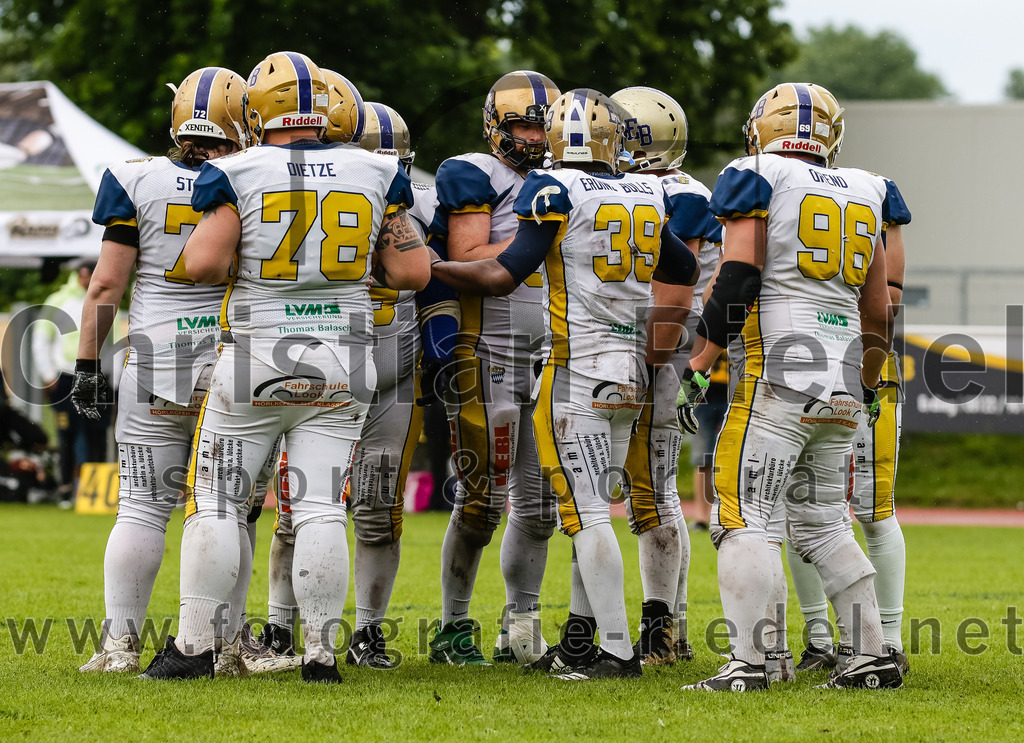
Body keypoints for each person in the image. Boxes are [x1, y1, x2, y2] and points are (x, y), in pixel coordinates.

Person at [138, 51, 431, 683]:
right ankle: (322, 656)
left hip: (257, 354)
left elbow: (204, 265)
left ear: (257, 110)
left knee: (217, 501)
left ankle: (193, 649)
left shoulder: (237, 170)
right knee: (323, 506)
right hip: (344, 360)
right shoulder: (377, 169)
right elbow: (413, 272)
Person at [431, 87, 699, 679]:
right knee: (594, 505)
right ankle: (588, 641)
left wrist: (428, 269)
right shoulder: (646, 191)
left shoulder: (553, 189)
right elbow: (684, 269)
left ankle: (614, 650)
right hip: (630, 370)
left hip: (575, 370)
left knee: (586, 516)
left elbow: (503, 275)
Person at [676, 82, 903, 691]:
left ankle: (753, 663)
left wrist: (701, 359)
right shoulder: (870, 188)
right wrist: (870, 381)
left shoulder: (755, 173)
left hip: (780, 370)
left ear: (761, 129)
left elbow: (741, 272)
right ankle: (871, 657)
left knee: (742, 515)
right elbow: (880, 308)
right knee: (826, 521)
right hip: (847, 371)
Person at [72, 67, 249, 674]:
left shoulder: (135, 178)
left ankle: (119, 647)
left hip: (156, 356)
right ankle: (225, 647)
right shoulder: (254, 178)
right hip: (233, 355)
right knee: (224, 507)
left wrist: (86, 366)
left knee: (142, 507)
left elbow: (105, 287)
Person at [426, 70, 562, 666]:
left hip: (555, 348)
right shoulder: (474, 172)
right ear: (494, 125)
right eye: (521, 124)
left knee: (540, 504)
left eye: (542, 124)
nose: (533, 137)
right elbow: (468, 255)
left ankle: (521, 624)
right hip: (491, 349)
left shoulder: (570, 181)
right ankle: (454, 625)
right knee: (481, 498)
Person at [784, 83, 913, 676]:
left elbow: (885, 294)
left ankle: (874, 639)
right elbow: (886, 294)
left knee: (845, 508)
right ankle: (850, 640)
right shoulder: (870, 188)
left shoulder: (768, 182)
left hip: (815, 361)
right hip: (854, 360)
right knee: (828, 509)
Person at [603, 85, 715, 666]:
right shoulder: (679, 188)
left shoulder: (672, 195)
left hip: (656, 344)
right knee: (650, 490)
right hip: (665, 344)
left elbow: (674, 283)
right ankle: (672, 624)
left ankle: (659, 630)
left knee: (648, 492)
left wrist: (651, 359)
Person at [33, 260, 112, 504]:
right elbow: (41, 340)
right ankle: (66, 488)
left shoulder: (109, 300)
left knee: (97, 433)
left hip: (96, 377)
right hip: (65, 377)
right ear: (81, 276)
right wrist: (48, 374)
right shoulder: (58, 301)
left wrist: (113, 380)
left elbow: (114, 344)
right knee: (66, 433)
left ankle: (96, 493)